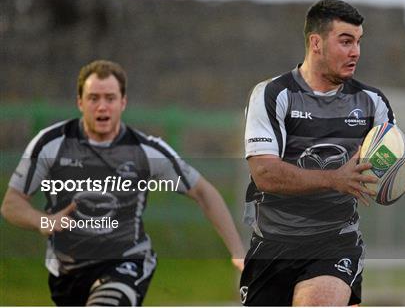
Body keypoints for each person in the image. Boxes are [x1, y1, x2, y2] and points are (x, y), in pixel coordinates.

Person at [1, 60, 245, 306]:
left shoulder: (146, 151)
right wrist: (43, 220)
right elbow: (11, 204)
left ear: (123, 102)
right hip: (67, 272)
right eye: (93, 98)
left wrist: (237, 252)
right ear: (80, 102)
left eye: (110, 98)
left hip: (127, 261)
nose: (102, 106)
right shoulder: (51, 144)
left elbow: (203, 192)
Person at [240, 0, 405, 306]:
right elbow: (264, 174)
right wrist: (334, 179)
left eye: (359, 42)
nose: (356, 52)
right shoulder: (273, 94)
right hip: (273, 245)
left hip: (335, 242)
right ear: (316, 43)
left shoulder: (371, 102)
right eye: (346, 41)